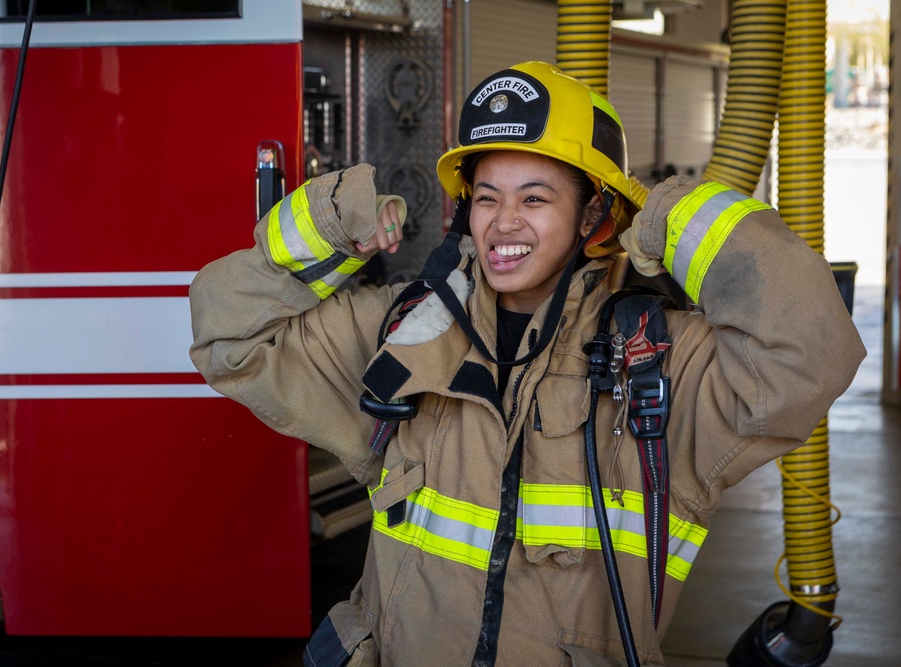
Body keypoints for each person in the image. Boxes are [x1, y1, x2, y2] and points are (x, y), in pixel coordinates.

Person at [188, 61, 865, 666]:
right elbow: (230, 338)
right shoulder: (399, 331)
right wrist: (328, 227)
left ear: (593, 215)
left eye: (535, 198)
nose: (503, 223)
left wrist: (672, 216)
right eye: (487, 197)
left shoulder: (655, 360)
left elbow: (810, 351)